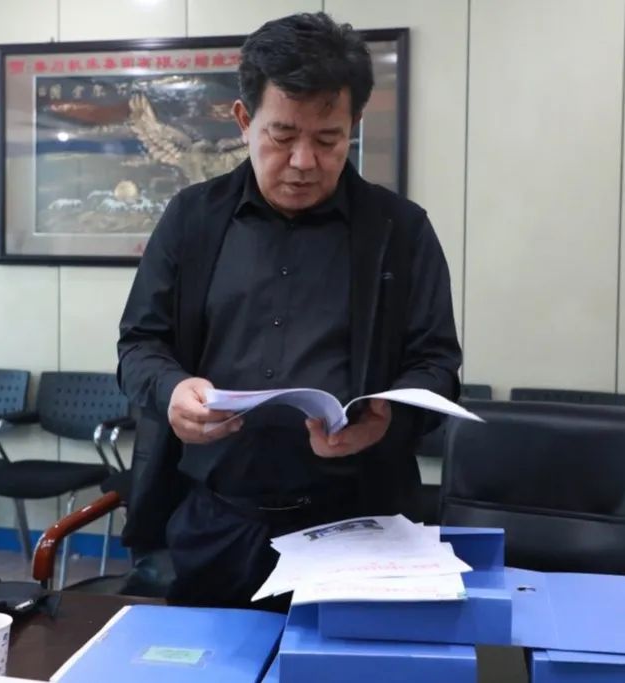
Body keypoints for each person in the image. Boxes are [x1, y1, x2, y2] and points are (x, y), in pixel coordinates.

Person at [116, 11, 461, 608]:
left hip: (356, 527)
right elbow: (139, 345)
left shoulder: (400, 231)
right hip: (217, 523)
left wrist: (387, 420)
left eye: (328, 140)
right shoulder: (192, 219)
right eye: (282, 136)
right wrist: (171, 390)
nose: (304, 161)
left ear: (353, 126)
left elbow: (437, 365)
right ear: (244, 120)